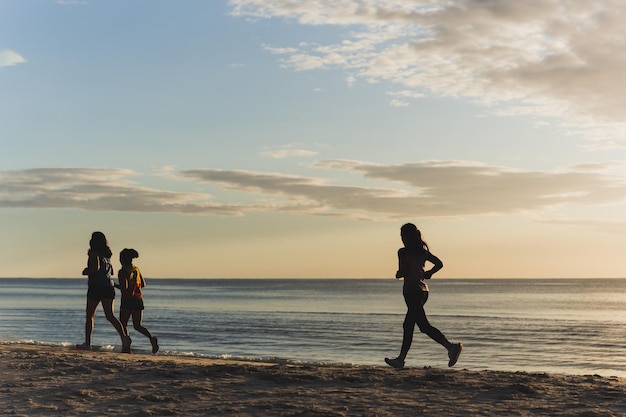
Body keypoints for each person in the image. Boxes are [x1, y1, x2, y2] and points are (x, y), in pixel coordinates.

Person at [385, 223, 462, 369]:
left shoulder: (403, 252)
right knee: (408, 325)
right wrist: (429, 273)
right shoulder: (422, 252)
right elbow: (439, 264)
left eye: (403, 236)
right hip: (423, 291)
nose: (401, 239)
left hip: (412, 291)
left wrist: (399, 274)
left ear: (407, 237)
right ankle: (400, 359)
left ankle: (451, 347)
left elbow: (402, 271)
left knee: (423, 326)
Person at [76, 231, 131, 352]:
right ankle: (124, 337)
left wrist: (86, 271)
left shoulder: (93, 253)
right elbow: (111, 273)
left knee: (90, 316)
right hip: (108, 287)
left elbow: (95, 268)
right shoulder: (107, 256)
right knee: (110, 316)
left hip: (96, 287)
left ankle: (88, 343)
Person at [117, 248, 159, 354]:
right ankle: (151, 338)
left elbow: (124, 288)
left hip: (127, 300)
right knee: (137, 325)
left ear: (122, 259)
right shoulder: (136, 269)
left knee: (123, 324)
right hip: (138, 300)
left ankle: (126, 345)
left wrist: (113, 285)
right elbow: (143, 284)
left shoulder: (122, 272)